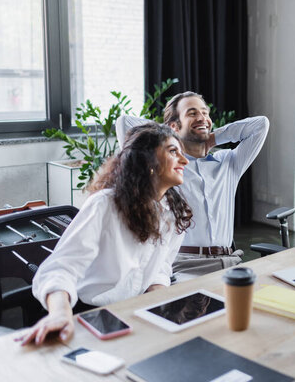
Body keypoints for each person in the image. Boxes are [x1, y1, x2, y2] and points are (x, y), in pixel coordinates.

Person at [19, 123, 191, 346]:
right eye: (173, 151)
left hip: (136, 312)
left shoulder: (174, 212)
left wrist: (160, 302)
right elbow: (60, 267)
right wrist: (60, 314)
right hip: (90, 313)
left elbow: (161, 268)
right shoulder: (105, 205)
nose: (185, 161)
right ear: (148, 161)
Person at [117, 92, 269, 279]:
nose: (202, 118)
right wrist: (170, 135)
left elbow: (261, 125)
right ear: (174, 125)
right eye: (192, 113)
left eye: (205, 113)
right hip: (184, 266)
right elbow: (124, 123)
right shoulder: (166, 168)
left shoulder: (229, 162)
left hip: (229, 261)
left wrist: (213, 138)